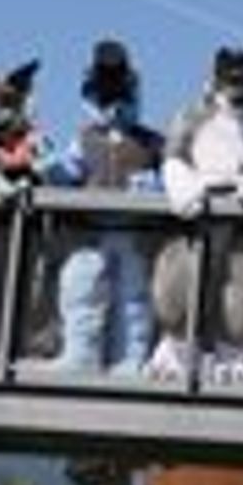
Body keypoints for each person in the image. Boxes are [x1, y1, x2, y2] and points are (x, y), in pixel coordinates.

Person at [50, 39, 164, 374]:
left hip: (134, 232)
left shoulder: (151, 142)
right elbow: (70, 169)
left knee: (134, 298)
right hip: (90, 231)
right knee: (81, 290)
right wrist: (49, 169)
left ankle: (131, 358)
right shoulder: (84, 138)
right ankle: (81, 354)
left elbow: (170, 175)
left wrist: (155, 185)